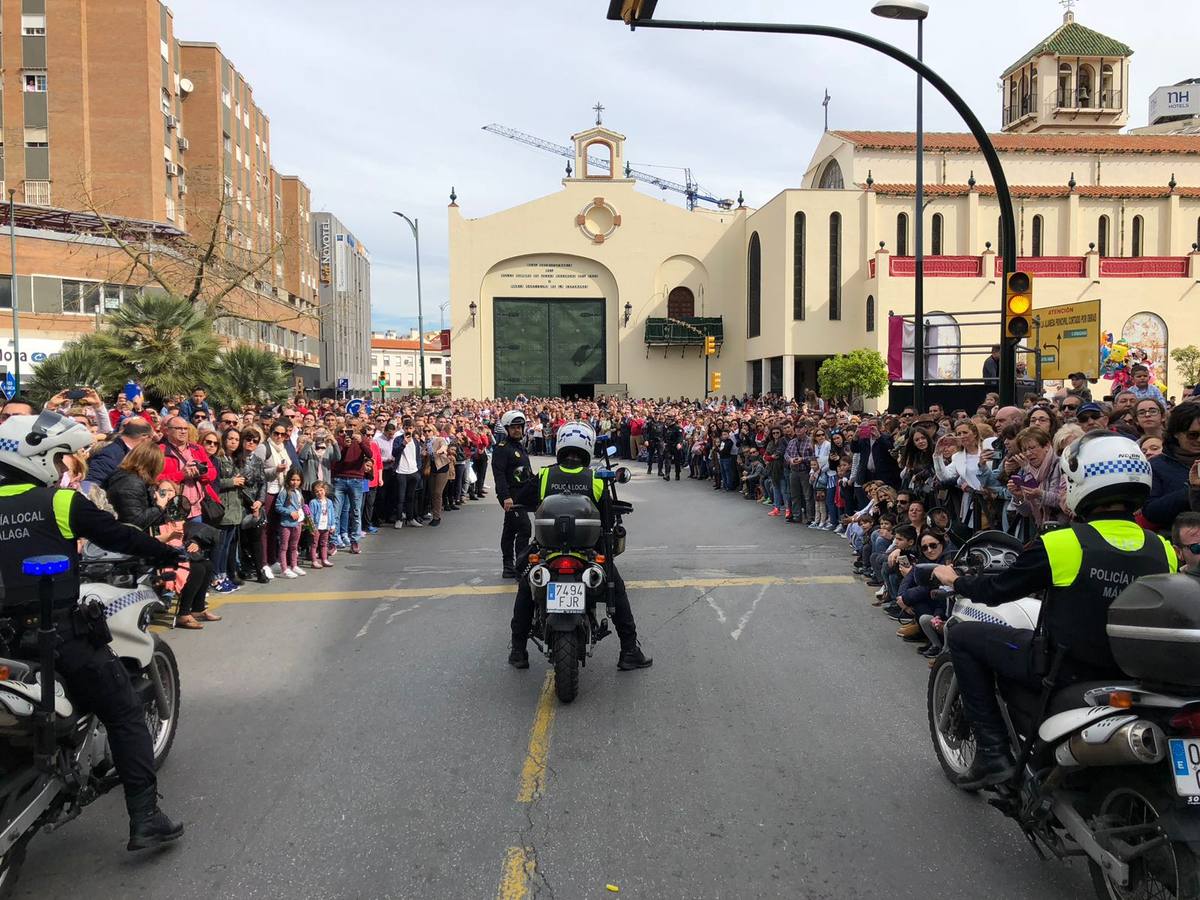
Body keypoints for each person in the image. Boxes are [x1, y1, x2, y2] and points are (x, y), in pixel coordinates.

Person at [932, 433, 1177, 789]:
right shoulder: (1164, 549)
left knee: (963, 634)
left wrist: (956, 581)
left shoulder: (1063, 542)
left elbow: (996, 591)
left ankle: (992, 753)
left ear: (1080, 482)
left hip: (1064, 669)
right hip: (1133, 673)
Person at [0, 411, 185, 850]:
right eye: (63, 457)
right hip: (55, 636)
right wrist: (168, 555)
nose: (68, 465)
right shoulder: (59, 502)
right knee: (123, 713)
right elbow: (121, 536)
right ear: (41, 456)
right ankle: (146, 817)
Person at [506, 421, 652, 672]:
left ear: (561, 445)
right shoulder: (595, 478)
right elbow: (607, 514)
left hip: (548, 552)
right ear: (588, 447)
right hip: (589, 552)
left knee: (526, 590)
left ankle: (518, 650)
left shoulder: (545, 475)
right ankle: (629, 649)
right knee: (615, 589)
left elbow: (522, 500)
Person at [492, 410, 533, 578]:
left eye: (520, 427)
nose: (517, 430)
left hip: (523, 493)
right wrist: (505, 497)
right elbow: (499, 475)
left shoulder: (519, 446)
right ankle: (520, 567)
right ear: (507, 429)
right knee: (525, 528)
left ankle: (508, 567)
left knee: (509, 530)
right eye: (514, 427)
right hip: (511, 495)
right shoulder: (503, 448)